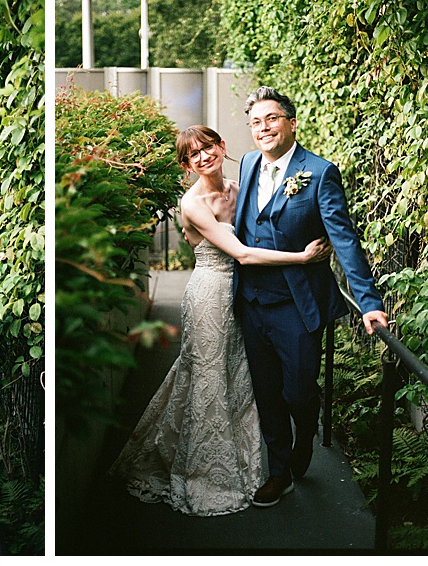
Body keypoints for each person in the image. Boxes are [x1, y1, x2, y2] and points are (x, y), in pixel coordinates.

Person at [108, 125, 332, 516]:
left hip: (245, 296)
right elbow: (242, 253)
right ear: (186, 163)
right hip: (211, 295)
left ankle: (267, 455)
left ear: (221, 146)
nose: (203, 156)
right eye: (193, 154)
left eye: (208, 147)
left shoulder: (239, 185)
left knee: (241, 377)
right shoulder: (192, 203)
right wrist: (302, 257)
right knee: (209, 379)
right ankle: (208, 472)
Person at [235, 87, 388, 508]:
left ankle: (306, 429)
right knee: (266, 392)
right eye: (256, 122)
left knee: (298, 391)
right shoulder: (248, 164)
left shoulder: (319, 172)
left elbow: (344, 241)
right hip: (251, 303)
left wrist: (369, 302)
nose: (263, 128)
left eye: (271, 119)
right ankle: (278, 471)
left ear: (291, 122)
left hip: (297, 305)